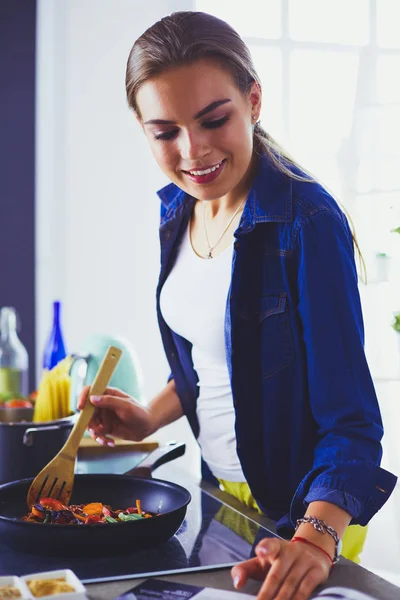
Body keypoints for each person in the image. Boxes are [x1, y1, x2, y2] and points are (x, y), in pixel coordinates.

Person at [78, 11, 397, 600]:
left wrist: (316, 537)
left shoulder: (307, 222)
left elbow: (351, 422)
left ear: (253, 101)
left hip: (304, 516)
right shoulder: (178, 209)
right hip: (221, 502)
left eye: (212, 119)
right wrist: (151, 417)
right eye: (164, 131)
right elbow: (219, 355)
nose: (192, 151)